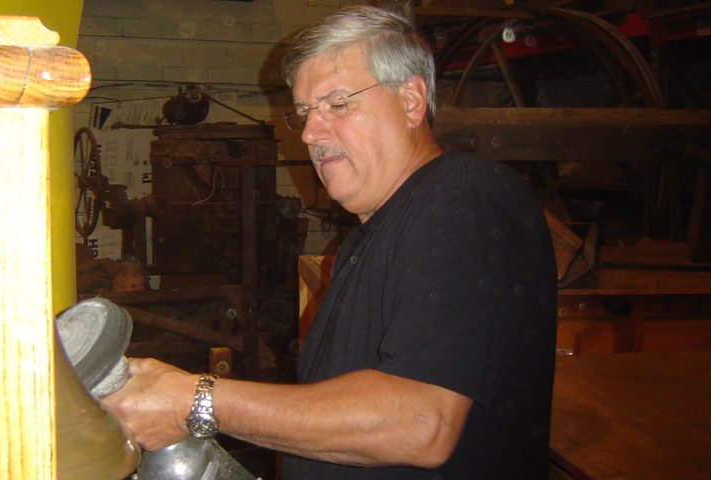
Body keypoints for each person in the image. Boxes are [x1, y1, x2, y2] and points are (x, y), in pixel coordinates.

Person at [101, 5, 557, 479]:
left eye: (338, 105)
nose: (312, 135)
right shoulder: (373, 234)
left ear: (411, 101)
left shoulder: (463, 198)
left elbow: (421, 423)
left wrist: (194, 400)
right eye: (304, 114)